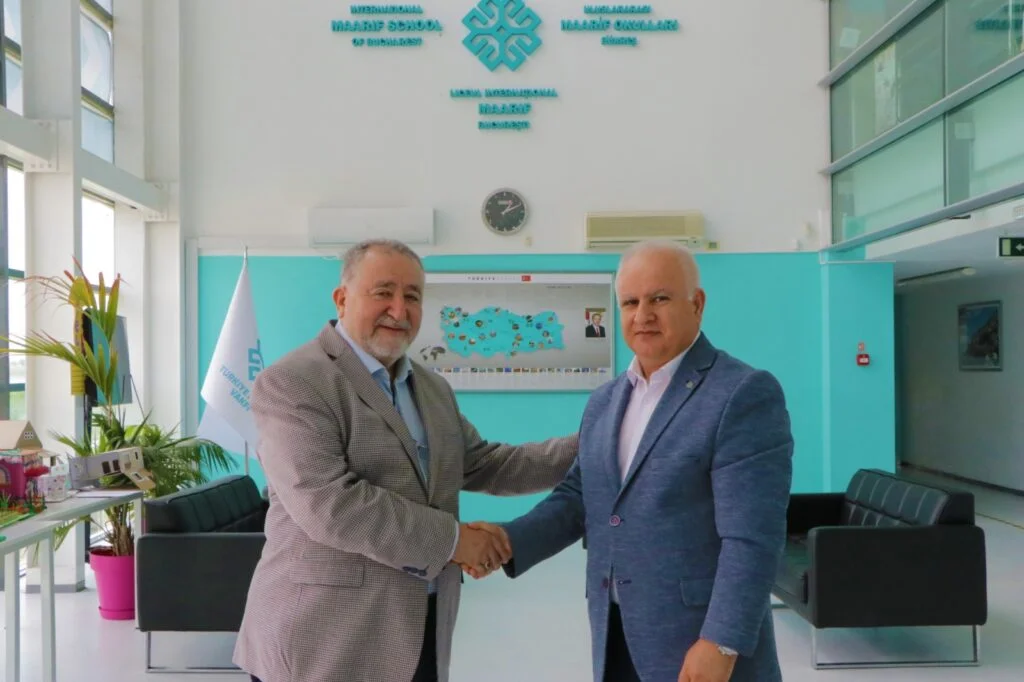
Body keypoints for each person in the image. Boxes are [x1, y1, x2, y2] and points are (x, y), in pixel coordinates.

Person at [233, 238, 579, 682]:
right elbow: (330, 505)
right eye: (383, 292)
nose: (399, 309)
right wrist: (454, 541)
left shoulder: (432, 389)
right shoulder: (294, 381)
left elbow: (487, 464)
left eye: (412, 296)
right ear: (342, 298)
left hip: (419, 627)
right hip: (323, 639)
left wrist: (598, 440)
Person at [480, 240, 794, 682]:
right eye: (630, 302)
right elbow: (579, 496)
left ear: (697, 304)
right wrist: (509, 540)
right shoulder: (606, 400)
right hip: (616, 633)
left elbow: (752, 538)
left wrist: (721, 643)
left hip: (699, 644)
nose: (642, 314)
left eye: (659, 298)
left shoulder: (741, 393)